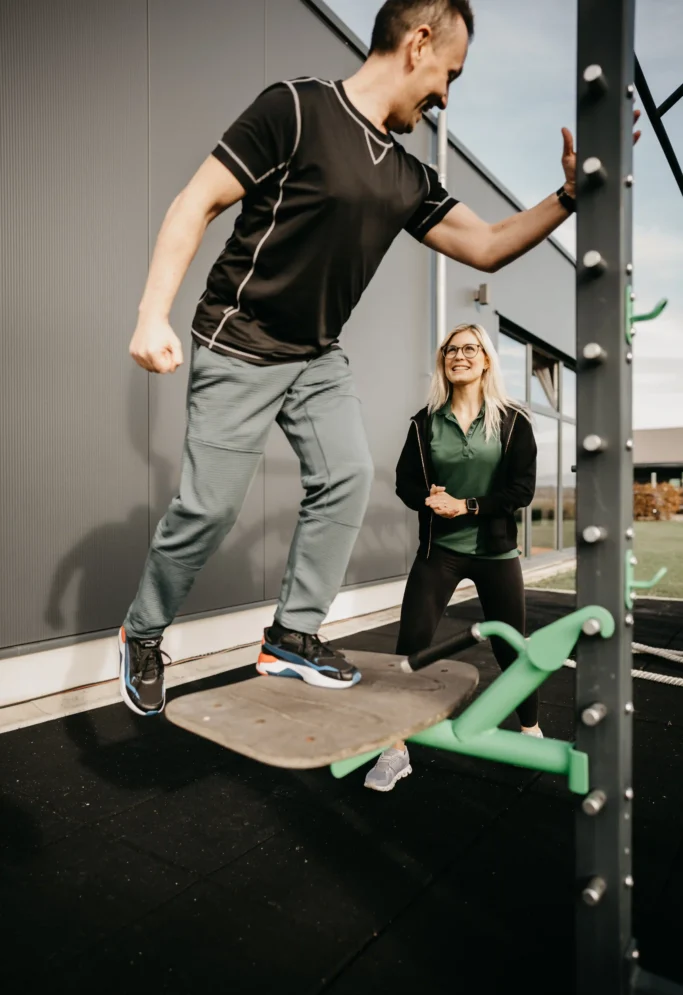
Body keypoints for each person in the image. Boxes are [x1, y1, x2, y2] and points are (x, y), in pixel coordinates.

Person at [118, 0, 579, 717]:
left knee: (347, 476)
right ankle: (143, 632)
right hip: (238, 340)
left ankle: (291, 635)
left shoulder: (407, 176)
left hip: (315, 357)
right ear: (418, 43)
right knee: (209, 510)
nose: (445, 96)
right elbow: (196, 201)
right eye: (449, 74)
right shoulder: (297, 110)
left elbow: (487, 246)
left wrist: (568, 197)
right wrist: (152, 314)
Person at [364, 323, 538, 792]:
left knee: (512, 648)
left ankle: (531, 732)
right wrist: (428, 498)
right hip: (439, 551)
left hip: (495, 552)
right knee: (411, 646)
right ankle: (396, 747)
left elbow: (521, 490)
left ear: (486, 359)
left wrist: (467, 506)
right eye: (450, 350)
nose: (459, 356)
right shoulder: (425, 422)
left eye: (469, 349)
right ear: (443, 361)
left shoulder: (514, 421)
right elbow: (405, 483)